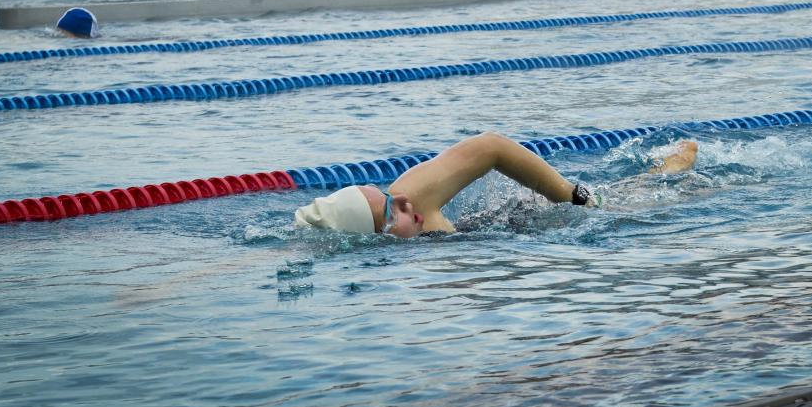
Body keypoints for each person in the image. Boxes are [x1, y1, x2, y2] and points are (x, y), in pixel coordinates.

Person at [294, 132, 698, 238]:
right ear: (374, 237)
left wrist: (575, 198)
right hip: (524, 227)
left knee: (643, 202)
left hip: (555, 212)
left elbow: (491, 146)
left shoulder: (412, 199)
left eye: (389, 195)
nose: (401, 198)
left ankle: (667, 173)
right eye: (389, 209)